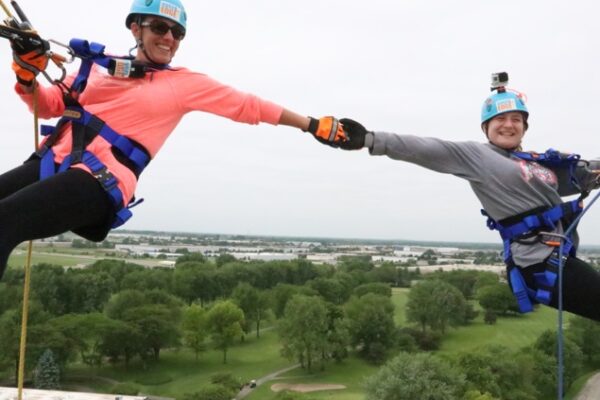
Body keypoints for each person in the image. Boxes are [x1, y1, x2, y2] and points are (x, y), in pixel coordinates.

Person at [0, 0, 346, 277]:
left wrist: (312, 124)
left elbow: (247, 105)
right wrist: (25, 73)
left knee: (6, 220)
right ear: (136, 28)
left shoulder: (183, 83)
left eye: (177, 33)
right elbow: (47, 106)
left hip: (99, 181)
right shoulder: (97, 68)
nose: (169, 38)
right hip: (53, 164)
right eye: (161, 28)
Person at [310, 73, 600, 322]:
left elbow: (583, 174)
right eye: (499, 119)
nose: (508, 124)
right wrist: (371, 139)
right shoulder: (478, 157)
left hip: (558, 257)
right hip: (538, 265)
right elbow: (426, 148)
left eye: (516, 119)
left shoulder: (536, 165)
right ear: (485, 127)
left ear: (524, 126)